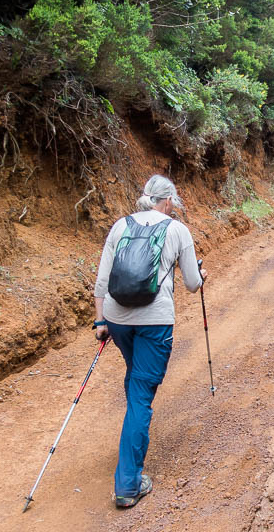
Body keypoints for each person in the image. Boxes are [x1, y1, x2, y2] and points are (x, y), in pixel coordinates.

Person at [92, 174, 206, 508]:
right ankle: (128, 484)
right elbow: (191, 284)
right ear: (168, 200)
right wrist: (201, 276)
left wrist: (101, 321)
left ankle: (132, 428)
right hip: (154, 321)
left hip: (116, 318)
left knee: (135, 376)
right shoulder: (177, 230)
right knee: (141, 394)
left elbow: (102, 280)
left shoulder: (120, 226)